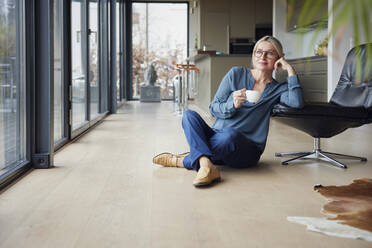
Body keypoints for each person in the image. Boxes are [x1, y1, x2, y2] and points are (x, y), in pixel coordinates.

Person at [153, 36, 304, 187]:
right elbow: (214, 108)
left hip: (247, 150)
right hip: (219, 138)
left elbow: (297, 103)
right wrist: (232, 105)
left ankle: (183, 160)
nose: (263, 56)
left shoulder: (278, 89)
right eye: (259, 52)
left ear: (278, 58)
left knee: (230, 135)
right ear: (254, 55)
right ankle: (206, 165)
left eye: (270, 53)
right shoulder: (236, 74)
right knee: (189, 115)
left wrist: (290, 70)